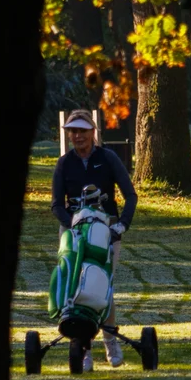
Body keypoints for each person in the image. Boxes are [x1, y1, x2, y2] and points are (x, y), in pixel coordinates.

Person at [51, 109, 137, 366]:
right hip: (72, 230)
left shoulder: (108, 158)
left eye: (82, 131)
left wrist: (121, 225)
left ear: (92, 132)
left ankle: (110, 343)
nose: (78, 136)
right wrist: (71, 225)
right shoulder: (64, 163)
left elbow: (130, 196)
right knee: (74, 285)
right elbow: (57, 205)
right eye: (73, 131)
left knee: (101, 284)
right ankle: (83, 348)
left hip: (106, 229)